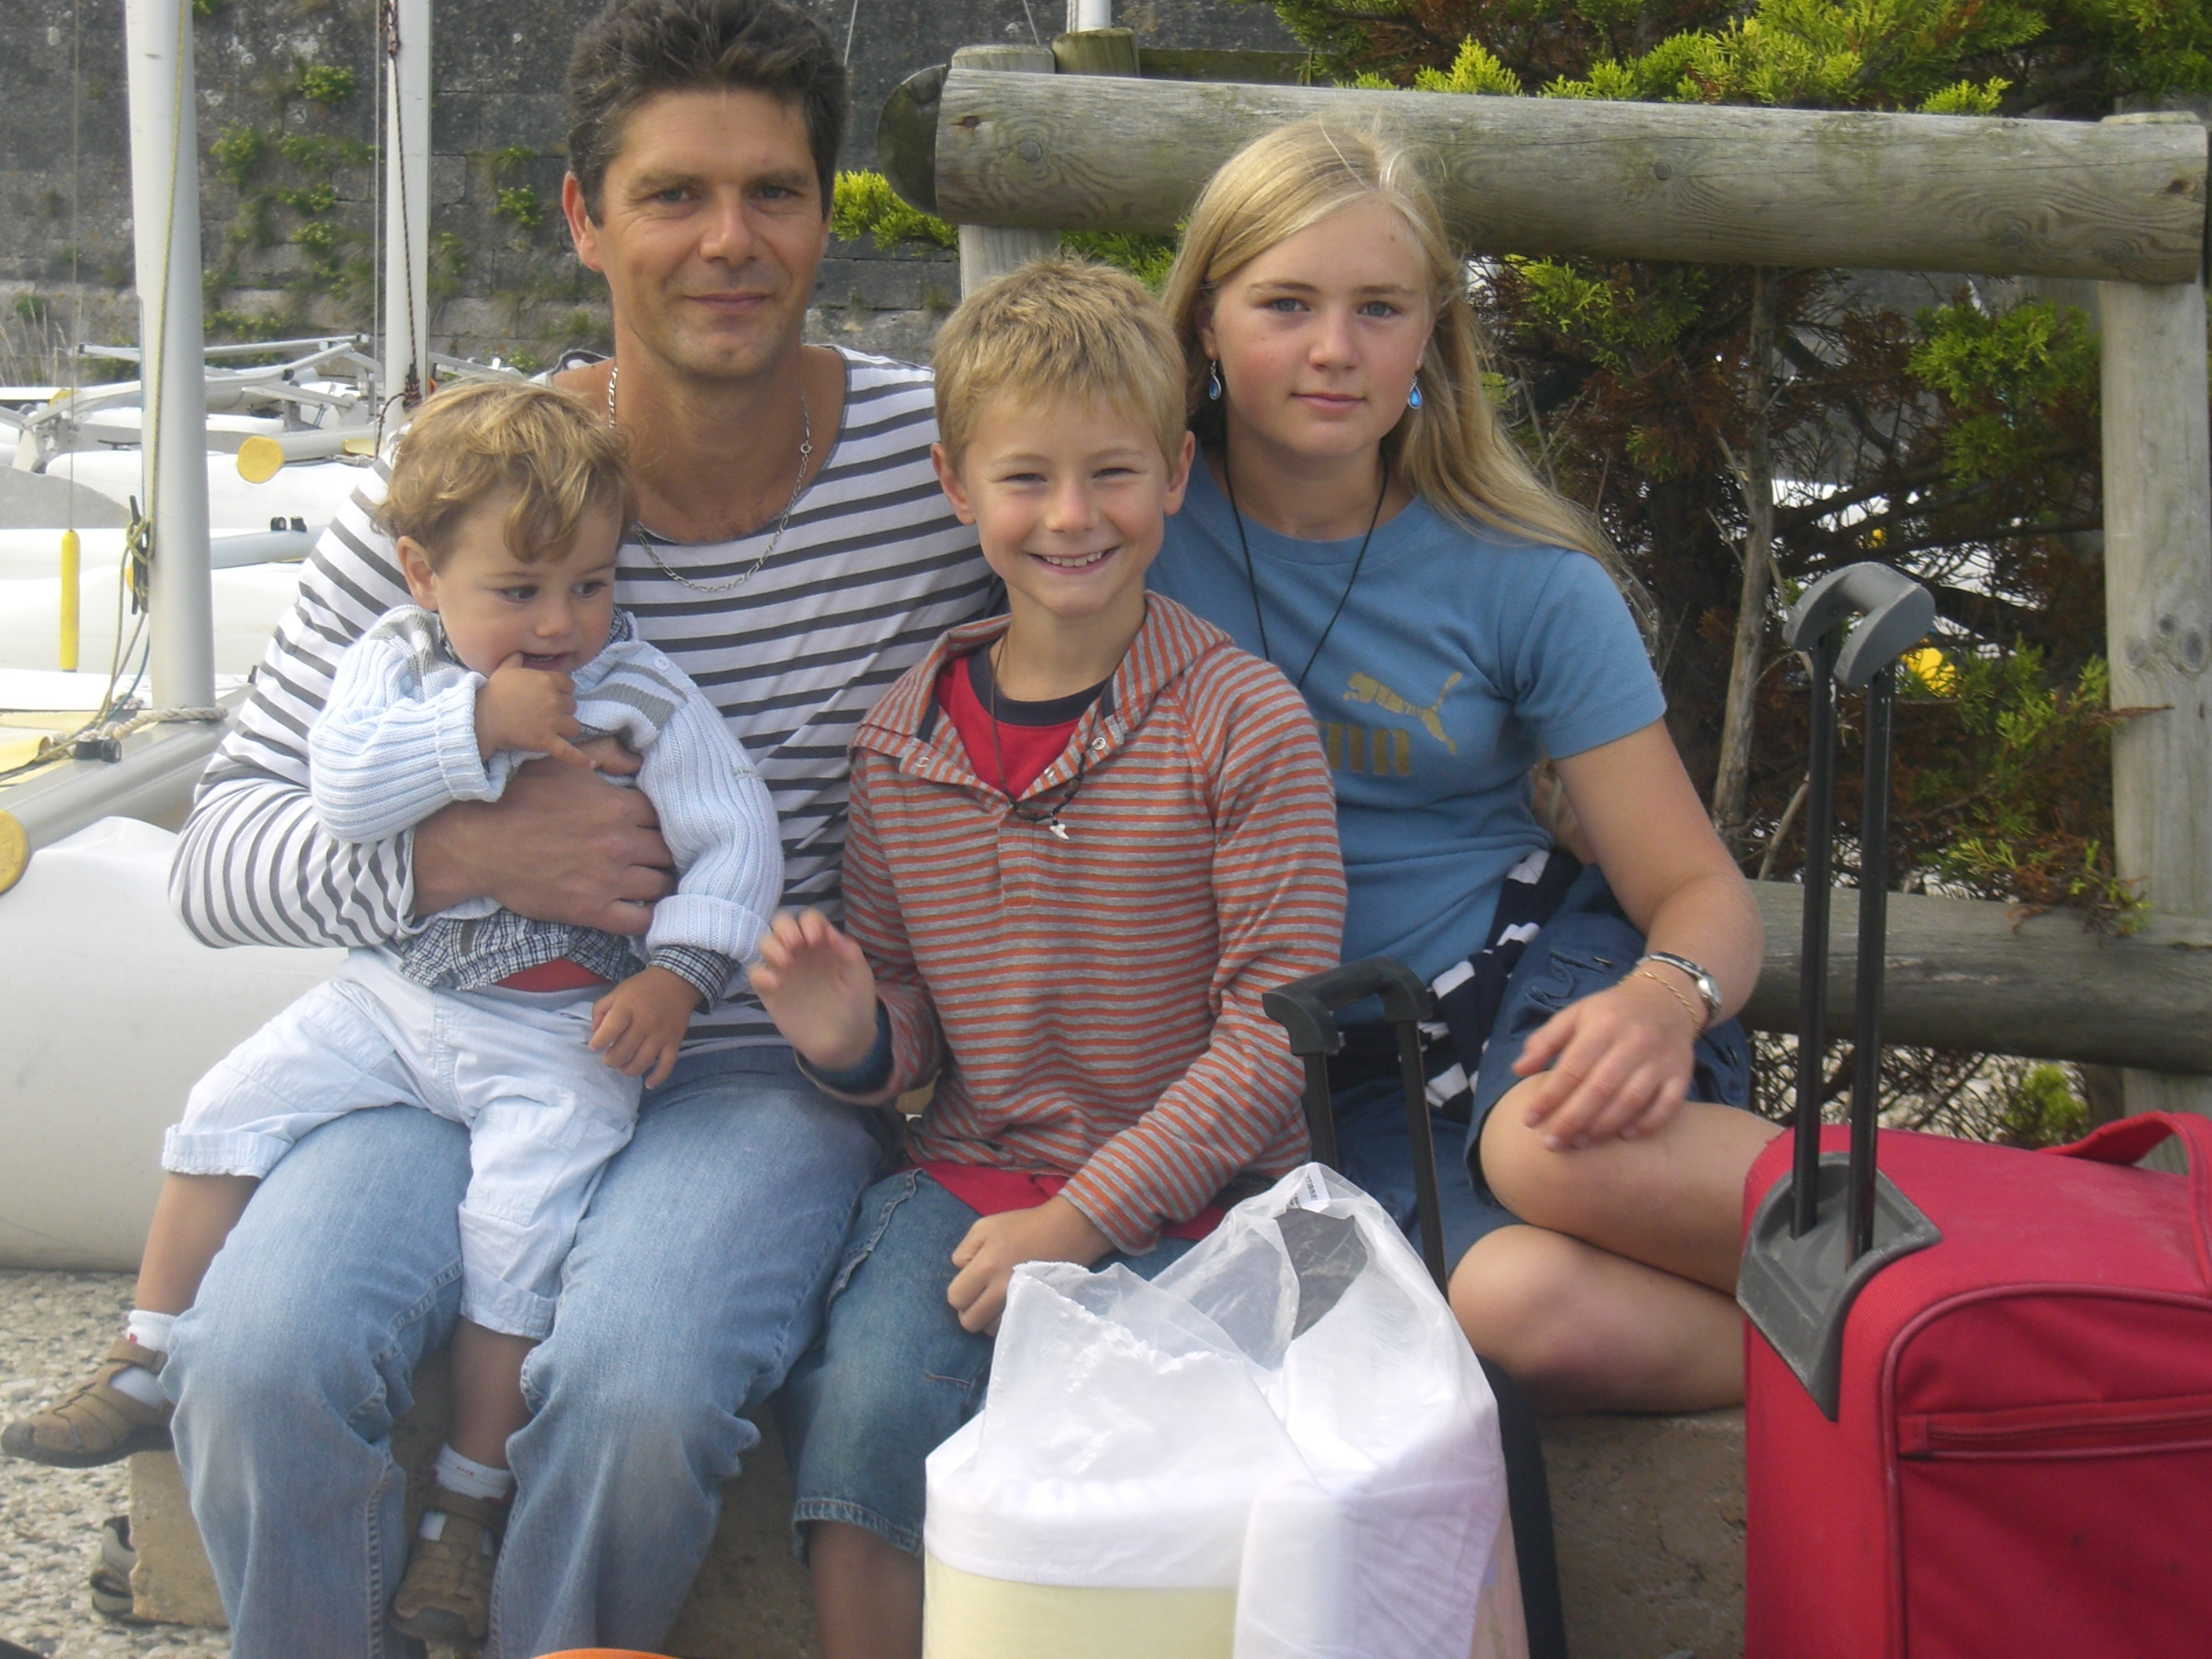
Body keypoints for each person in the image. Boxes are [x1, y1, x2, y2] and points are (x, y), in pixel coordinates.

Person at [148, 3, 990, 1654]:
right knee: (255, 1361)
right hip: (445, 1040)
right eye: (673, 195)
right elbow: (215, 854)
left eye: (773, 192)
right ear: (584, 220)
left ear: (825, 215)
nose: (730, 241)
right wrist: (458, 855)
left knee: (639, 1393)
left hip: (745, 1076)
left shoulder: (939, 473)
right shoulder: (462, 491)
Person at [5, 379, 786, 1644]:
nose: (560, 623)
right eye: (518, 592)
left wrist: (678, 974)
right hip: (396, 999)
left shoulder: (642, 692)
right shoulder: (394, 664)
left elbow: (736, 839)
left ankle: (466, 1511)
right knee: (226, 1107)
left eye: (590, 585)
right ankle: (145, 1349)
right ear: (423, 575)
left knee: (517, 1252)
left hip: (559, 1035)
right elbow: (347, 793)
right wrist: (473, 727)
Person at [745, 258, 1346, 1659]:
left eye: (1112, 474)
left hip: (1216, 1199)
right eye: (1026, 479)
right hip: (971, 1181)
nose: (1072, 517)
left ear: (1175, 474)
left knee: (1203, 1467)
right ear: (957, 486)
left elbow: (1276, 1033)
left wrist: (1084, 1219)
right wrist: (853, 1038)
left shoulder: (1243, 722)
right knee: (870, 1407)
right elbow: (913, 1030)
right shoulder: (900, 745)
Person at [1149, 119, 1776, 1415]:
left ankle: (2001, 1277)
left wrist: (1665, 1002)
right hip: (1327, 1074)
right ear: (1204, 319)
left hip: (1527, 986)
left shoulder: (1522, 577)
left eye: (1380, 308)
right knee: (1518, 1308)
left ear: (1432, 337)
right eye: (1285, 304)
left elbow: (1698, 892)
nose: (1336, 348)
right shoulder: (1119, 525)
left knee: (1548, 1149)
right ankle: (1901, 1367)